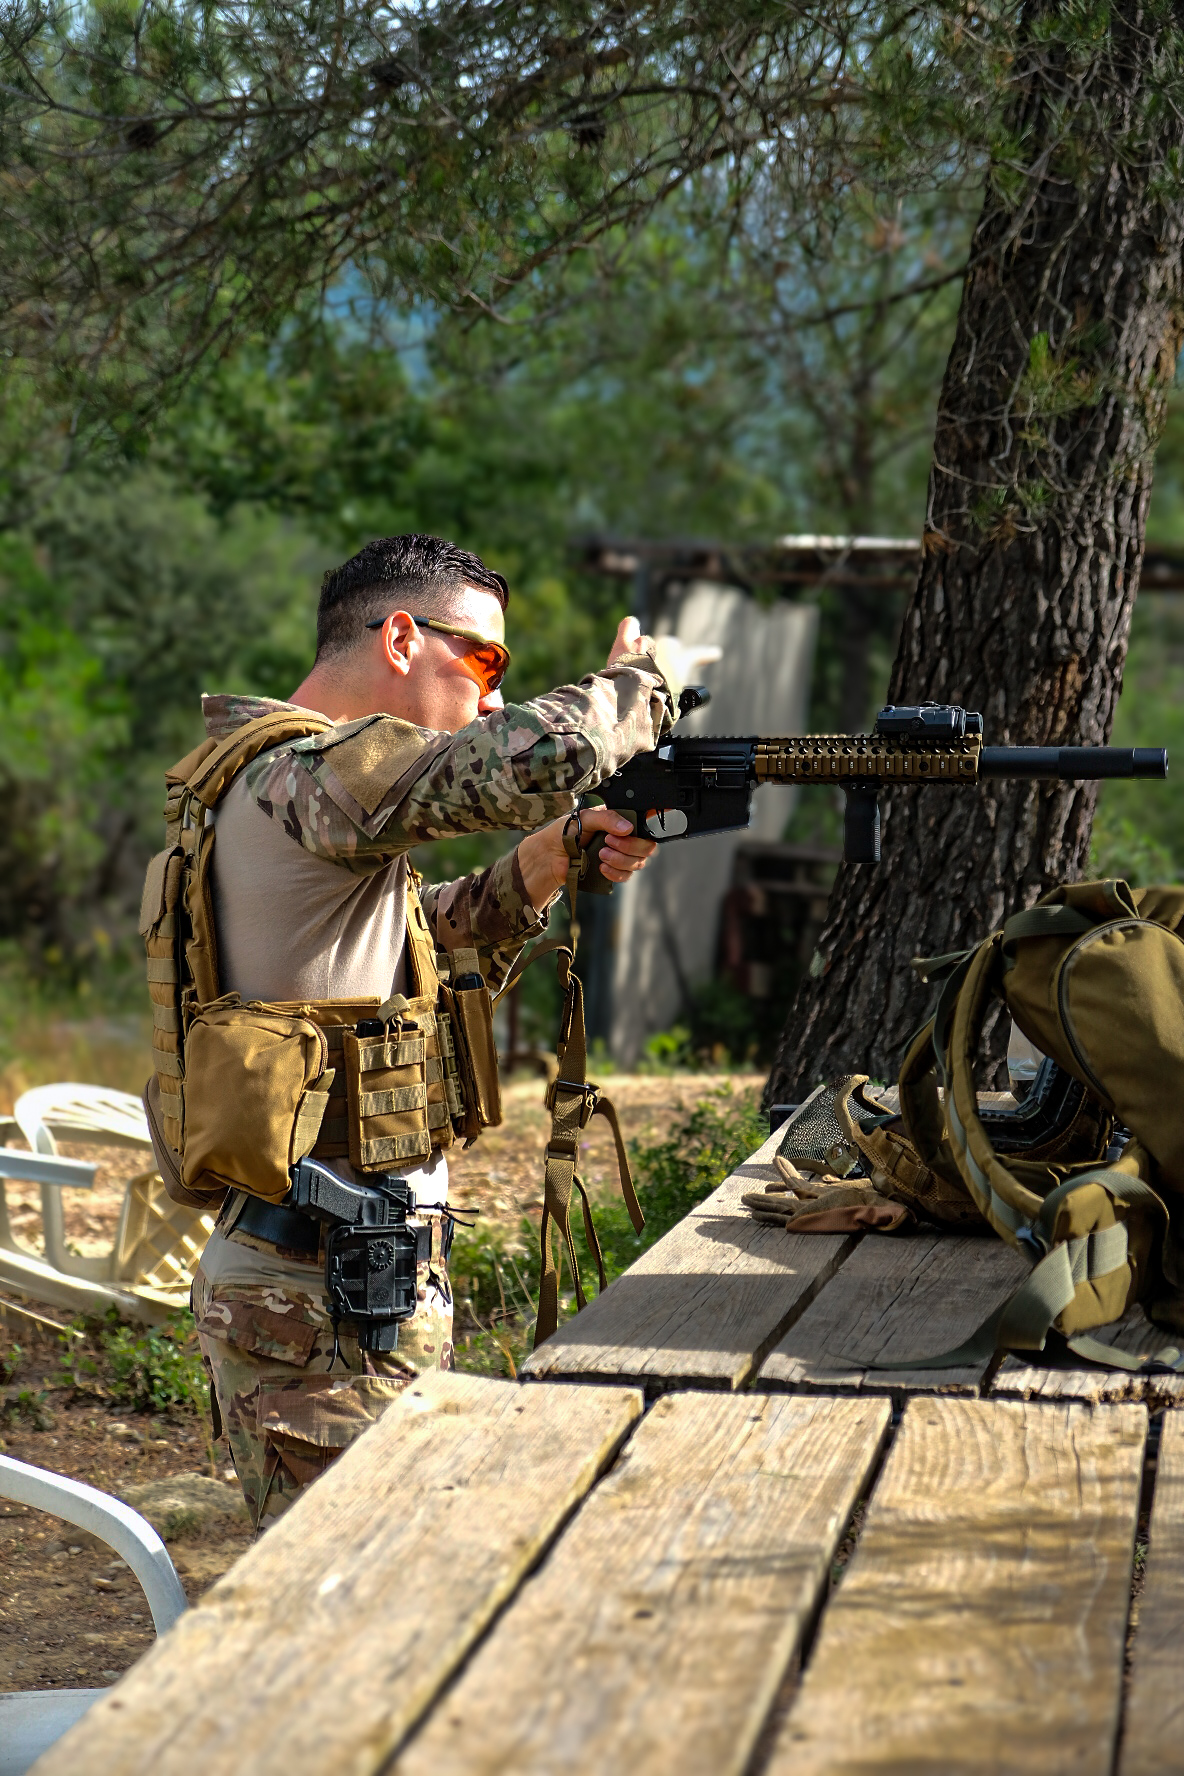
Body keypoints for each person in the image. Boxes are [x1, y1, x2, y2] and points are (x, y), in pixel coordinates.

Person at [188, 533, 715, 1526]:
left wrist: (546, 863)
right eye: (481, 661)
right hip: (321, 1287)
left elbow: (403, 948)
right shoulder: (304, 774)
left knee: (372, 1598)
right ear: (397, 636)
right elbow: (535, 755)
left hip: (340, 1274)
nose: (485, 696)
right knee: (343, 1608)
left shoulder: (296, 794)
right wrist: (641, 686)